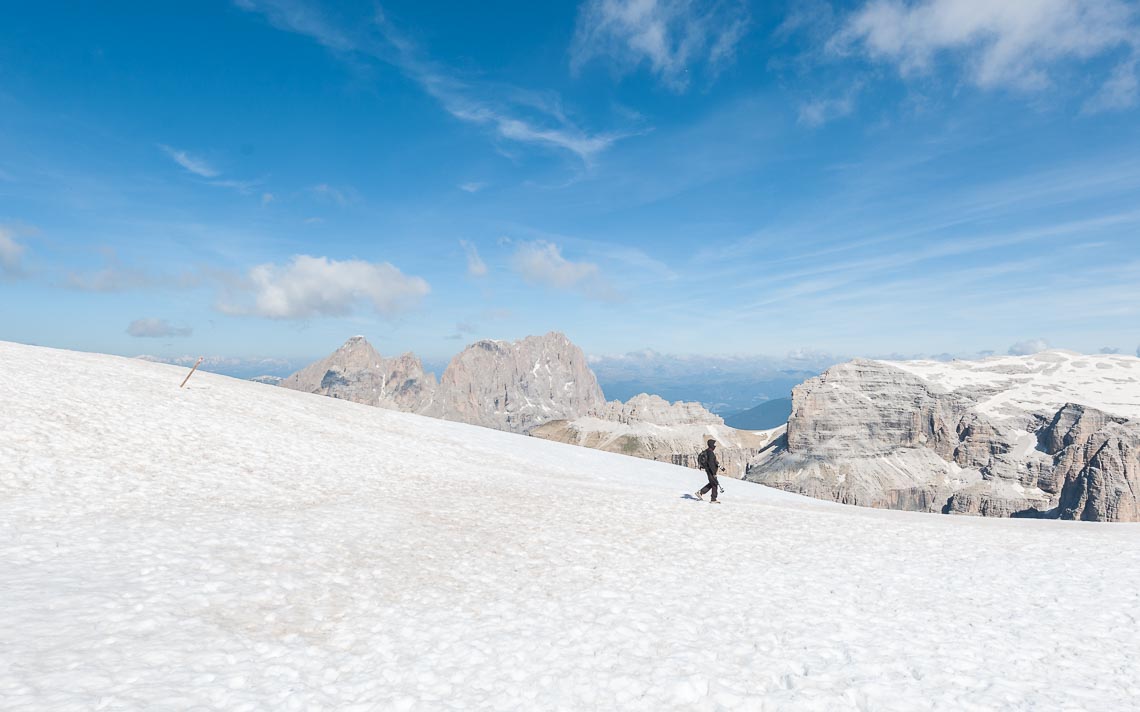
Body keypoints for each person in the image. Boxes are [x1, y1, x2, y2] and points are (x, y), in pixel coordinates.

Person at [694, 438, 723, 503]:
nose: (715, 446)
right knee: (715, 484)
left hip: (708, 470)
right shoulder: (710, 453)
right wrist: (714, 473)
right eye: (714, 444)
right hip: (711, 471)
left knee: (712, 483)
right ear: (711, 445)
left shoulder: (707, 451)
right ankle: (713, 499)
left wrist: (720, 467)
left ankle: (700, 492)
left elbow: (712, 462)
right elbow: (711, 463)